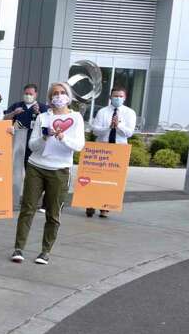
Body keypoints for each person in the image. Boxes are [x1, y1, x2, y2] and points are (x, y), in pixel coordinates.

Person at [12, 83, 85, 265]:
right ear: (49, 97)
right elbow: (32, 145)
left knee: (53, 213)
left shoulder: (75, 118)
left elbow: (79, 146)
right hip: (37, 166)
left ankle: (45, 251)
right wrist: (45, 137)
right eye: (54, 94)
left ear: (68, 96)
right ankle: (19, 248)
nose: (58, 96)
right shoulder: (43, 117)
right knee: (28, 208)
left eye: (62, 93)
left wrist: (63, 137)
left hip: (60, 169)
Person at [86, 87, 136, 218]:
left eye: (120, 96)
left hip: (118, 150)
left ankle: (105, 207)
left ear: (124, 98)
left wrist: (118, 126)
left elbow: (129, 133)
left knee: (111, 180)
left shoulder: (129, 113)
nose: (118, 98)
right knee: (96, 178)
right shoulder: (102, 112)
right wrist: (108, 127)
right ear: (110, 97)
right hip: (102, 148)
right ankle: (90, 203)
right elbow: (95, 130)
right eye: (115, 96)